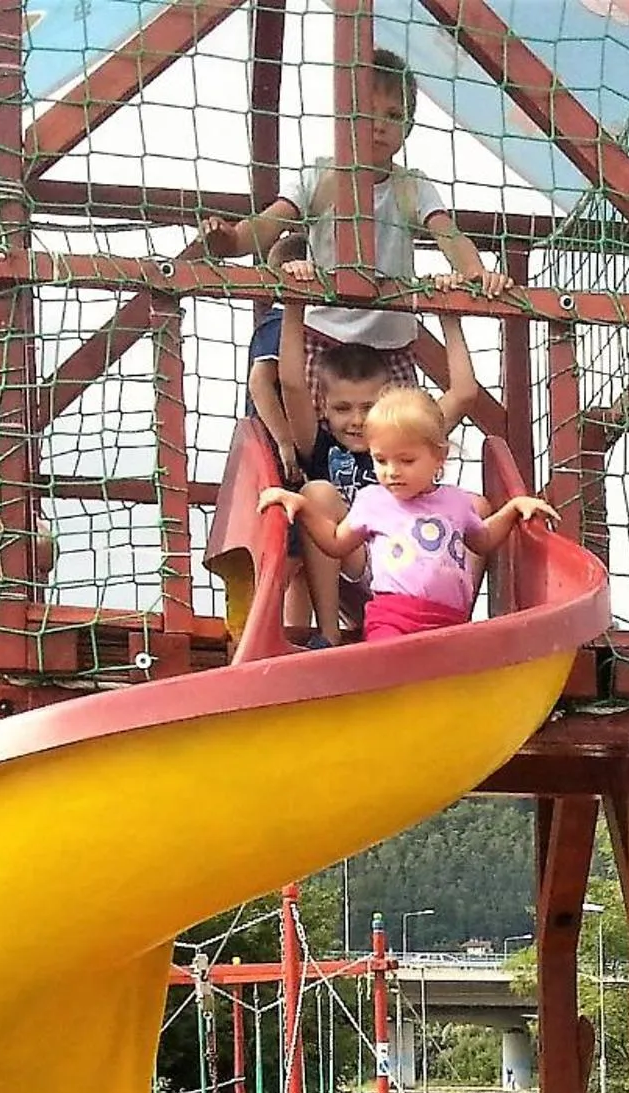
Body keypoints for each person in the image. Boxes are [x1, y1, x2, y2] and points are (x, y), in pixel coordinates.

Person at [199, 46, 509, 401]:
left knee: (399, 439)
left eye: (393, 115)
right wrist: (232, 240)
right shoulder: (320, 176)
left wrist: (476, 272)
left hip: (390, 342)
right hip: (324, 333)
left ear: (408, 127)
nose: (379, 126)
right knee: (319, 444)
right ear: (345, 116)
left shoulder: (411, 185)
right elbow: (270, 224)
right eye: (367, 113)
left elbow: (448, 234)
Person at [261, 384, 556, 643]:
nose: (391, 471)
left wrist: (514, 508)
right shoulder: (373, 500)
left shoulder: (456, 502)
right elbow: (336, 543)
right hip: (392, 616)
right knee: (387, 661)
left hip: (447, 620)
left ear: (439, 457)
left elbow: (484, 539)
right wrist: (303, 508)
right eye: (381, 459)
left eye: (406, 460)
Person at [262, 302, 481, 646]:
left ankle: (456, 620)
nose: (356, 420)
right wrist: (293, 305)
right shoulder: (318, 441)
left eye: (368, 407)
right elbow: (291, 384)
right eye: (342, 408)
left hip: (415, 558)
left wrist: (448, 316)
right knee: (317, 492)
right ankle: (329, 633)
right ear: (325, 407)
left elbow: (465, 393)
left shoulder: (402, 434)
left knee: (476, 506)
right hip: (357, 558)